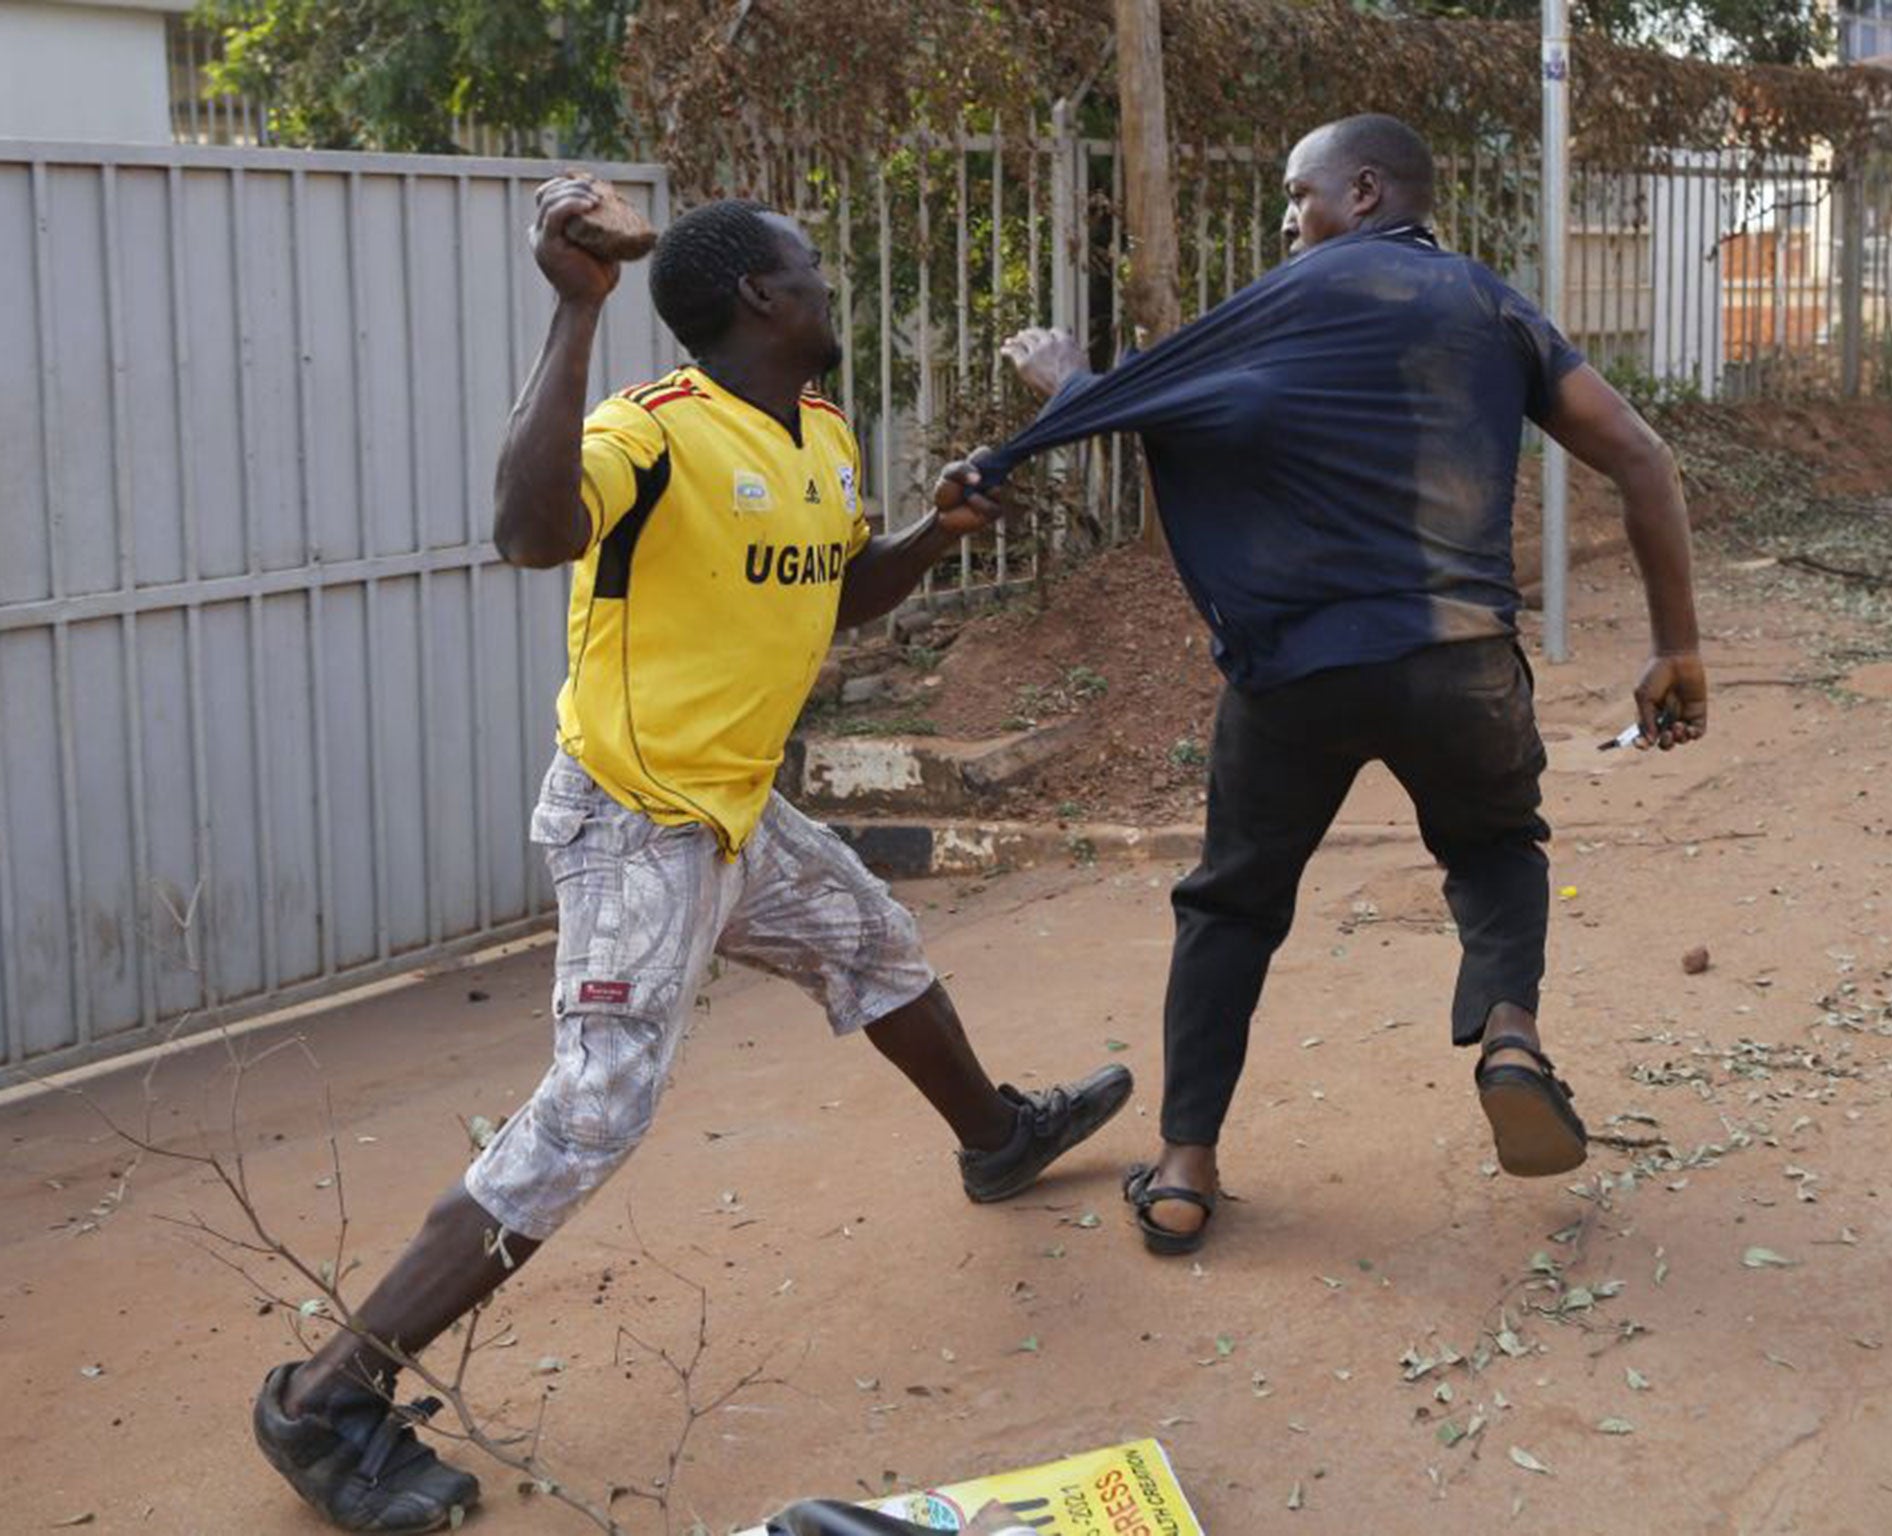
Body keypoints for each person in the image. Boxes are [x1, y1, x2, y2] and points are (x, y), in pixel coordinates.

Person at [252, 183, 1133, 1533]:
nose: (829, 282)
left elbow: (837, 592)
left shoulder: (823, 434)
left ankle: (997, 1139)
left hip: (736, 808)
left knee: (874, 943)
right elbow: (529, 535)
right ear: (760, 301)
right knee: (599, 1103)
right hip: (635, 822)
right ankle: (325, 1398)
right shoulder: (646, 431)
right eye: (812, 267)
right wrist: (575, 309)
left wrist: (935, 533)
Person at [938, 113, 1706, 1255]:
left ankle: (1187, 1166)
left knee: (1231, 904)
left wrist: (1064, 386)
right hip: (1458, 661)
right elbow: (1641, 455)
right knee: (1495, 851)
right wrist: (1675, 646)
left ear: (1359, 191)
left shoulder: (1278, 310)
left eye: (1295, 196)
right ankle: (1507, 1038)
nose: (1285, 224)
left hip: (1293, 674)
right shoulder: (1492, 307)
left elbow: (1166, 408)